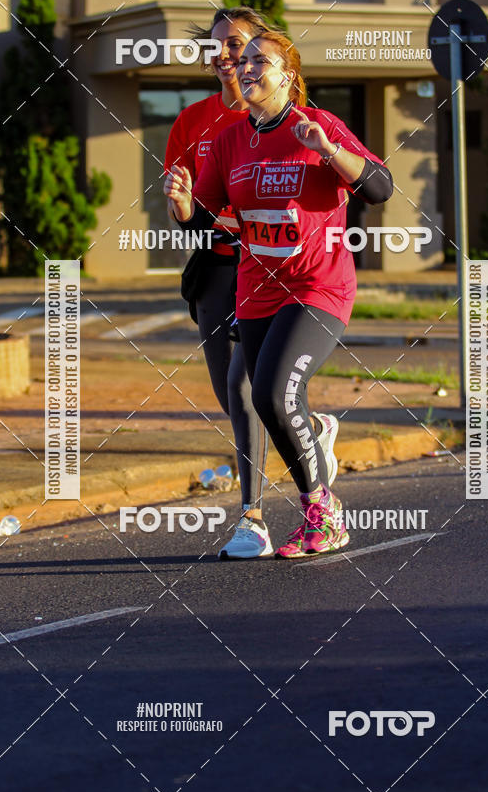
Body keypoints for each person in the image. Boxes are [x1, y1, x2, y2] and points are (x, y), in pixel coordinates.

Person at [166, 30, 393, 558]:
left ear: (288, 74)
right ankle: (319, 496)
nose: (245, 68)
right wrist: (183, 210)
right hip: (257, 290)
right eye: (241, 61)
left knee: (272, 391)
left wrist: (329, 151)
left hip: (318, 286)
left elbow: (380, 189)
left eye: (258, 61)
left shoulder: (315, 125)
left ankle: (323, 513)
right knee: (255, 396)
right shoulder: (228, 142)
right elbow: (215, 228)